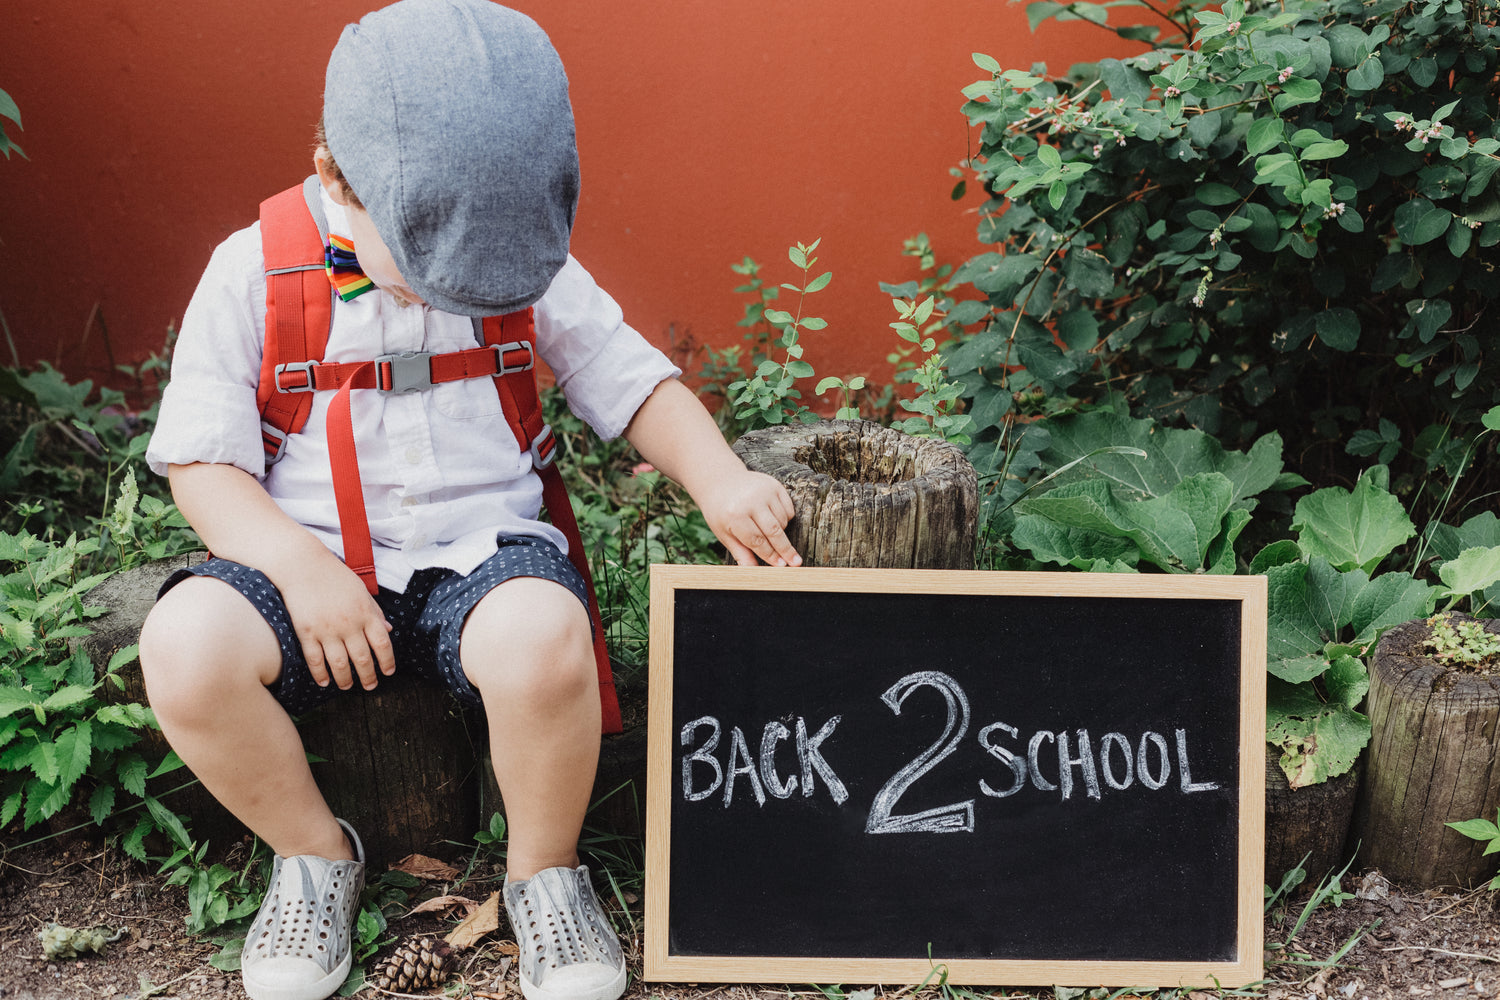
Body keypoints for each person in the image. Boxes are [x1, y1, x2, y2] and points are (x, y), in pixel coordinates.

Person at [137, 4, 800, 1000]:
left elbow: (627, 377)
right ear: (334, 181)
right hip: (302, 564)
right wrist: (299, 569)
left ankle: (545, 872)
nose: (471, 285)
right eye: (437, 261)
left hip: (478, 557)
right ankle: (315, 854)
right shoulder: (253, 271)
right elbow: (203, 465)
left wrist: (716, 476)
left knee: (542, 640)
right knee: (184, 650)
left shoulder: (522, 255)